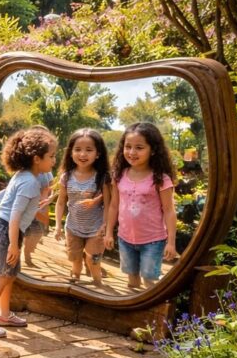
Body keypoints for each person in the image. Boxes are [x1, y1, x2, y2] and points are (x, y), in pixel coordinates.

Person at [0, 127, 57, 338]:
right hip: (6, 230)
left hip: (1, 229)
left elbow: (22, 205)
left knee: (8, 276)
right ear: (37, 159)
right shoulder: (30, 182)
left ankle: (3, 315)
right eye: (51, 156)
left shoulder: (24, 176)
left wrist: (45, 200)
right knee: (1, 278)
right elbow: (14, 216)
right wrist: (13, 243)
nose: (54, 161)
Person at [104, 123, 178, 290]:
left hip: (153, 241)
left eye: (139, 147)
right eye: (128, 147)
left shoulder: (161, 178)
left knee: (150, 282)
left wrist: (171, 242)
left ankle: (154, 315)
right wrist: (109, 233)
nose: (131, 152)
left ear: (152, 150)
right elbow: (114, 206)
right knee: (132, 281)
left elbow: (169, 211)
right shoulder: (119, 176)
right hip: (125, 239)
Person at [54, 129, 111, 286]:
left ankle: (98, 283)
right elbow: (60, 202)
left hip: (96, 229)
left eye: (89, 150)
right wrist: (58, 225)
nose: (83, 154)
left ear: (97, 154)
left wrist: (105, 226)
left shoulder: (102, 177)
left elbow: (108, 205)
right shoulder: (66, 176)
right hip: (73, 228)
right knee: (75, 259)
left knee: (94, 261)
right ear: (71, 152)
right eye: (78, 149)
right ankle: (75, 281)